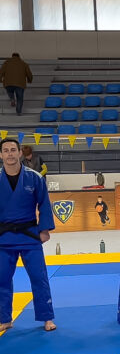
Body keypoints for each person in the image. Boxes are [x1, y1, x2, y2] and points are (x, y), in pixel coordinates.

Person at [0, 138, 56, 332]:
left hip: (30, 235)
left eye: (13, 150)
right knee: (1, 279)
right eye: (5, 150)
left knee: (39, 277)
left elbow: (44, 204)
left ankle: (47, 317)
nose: (9, 154)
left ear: (20, 153)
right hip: (3, 237)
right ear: (1, 155)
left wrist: (44, 229)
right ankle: (4, 319)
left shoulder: (34, 177)